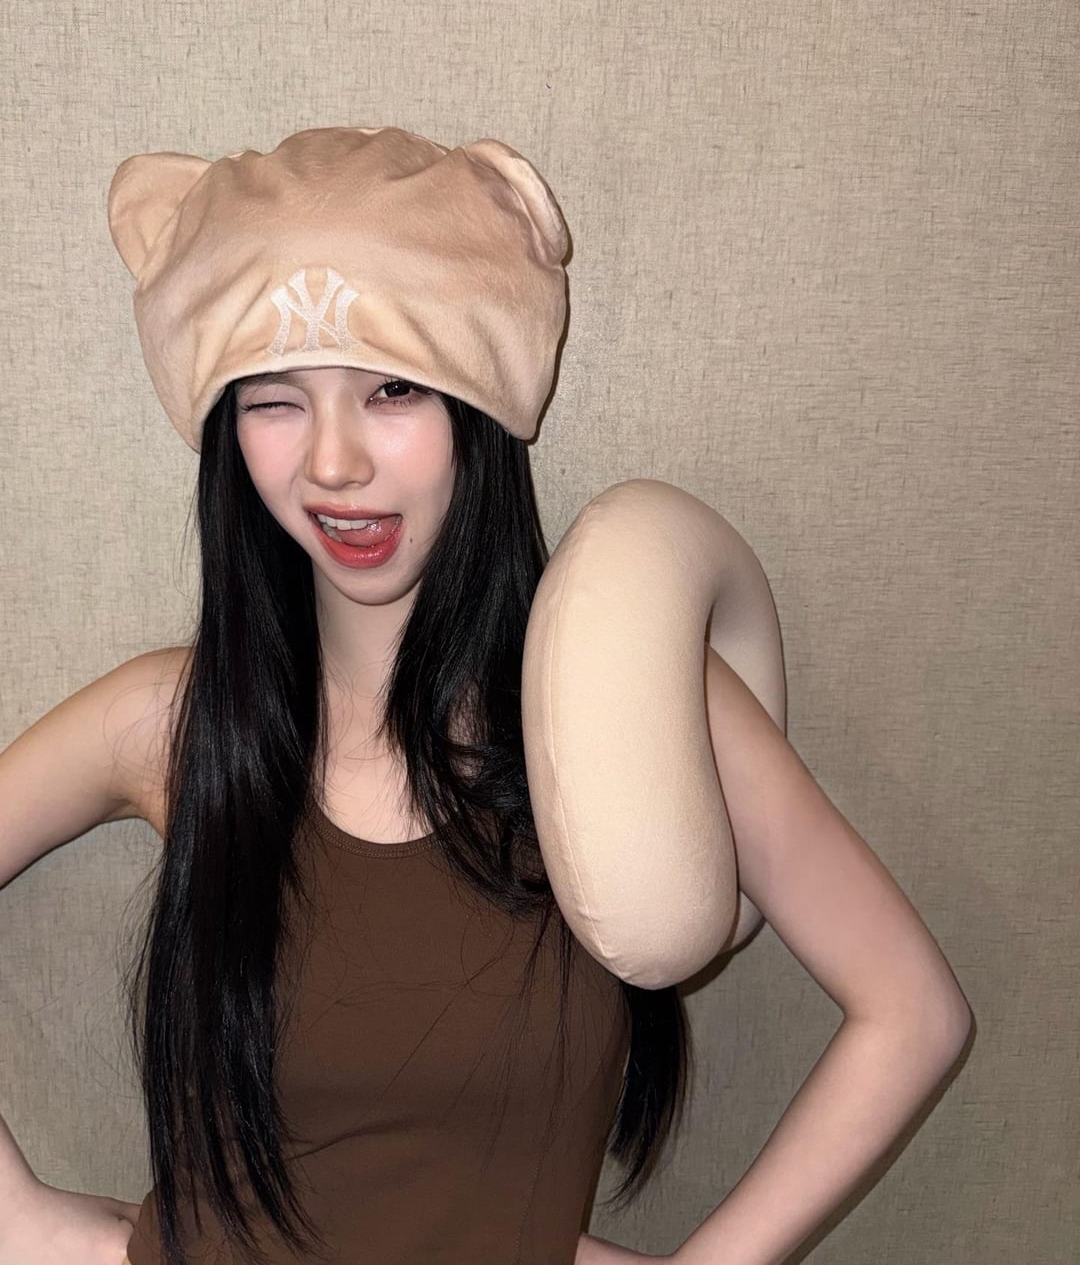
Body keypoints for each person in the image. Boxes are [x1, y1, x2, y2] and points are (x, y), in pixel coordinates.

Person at [0, 126, 972, 1265]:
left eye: (393, 388)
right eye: (274, 399)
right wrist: (31, 1223)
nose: (334, 463)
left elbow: (912, 1011)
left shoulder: (636, 718)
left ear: (480, 405)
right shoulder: (169, 724)